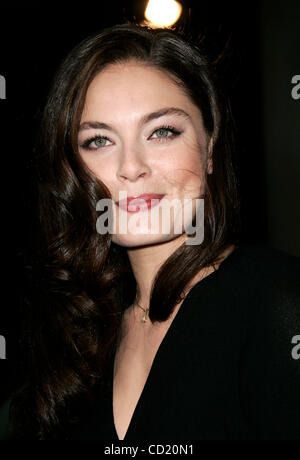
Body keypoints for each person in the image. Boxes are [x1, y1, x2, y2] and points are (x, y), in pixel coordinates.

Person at [1, 22, 299, 441]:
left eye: (162, 132)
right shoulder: (82, 338)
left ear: (210, 148)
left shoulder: (279, 302)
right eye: (98, 141)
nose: (131, 167)